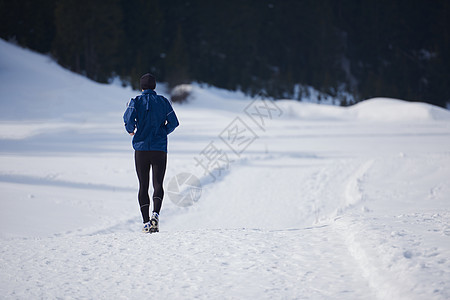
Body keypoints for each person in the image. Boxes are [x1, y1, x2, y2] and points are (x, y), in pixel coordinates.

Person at [123, 73, 179, 233]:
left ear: (141, 87)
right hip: (159, 148)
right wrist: (162, 132)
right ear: (154, 86)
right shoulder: (163, 101)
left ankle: (146, 223)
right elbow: (174, 122)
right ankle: (156, 214)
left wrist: (131, 130)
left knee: (143, 185)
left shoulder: (135, 102)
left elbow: (128, 121)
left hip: (141, 149)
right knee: (158, 184)